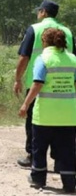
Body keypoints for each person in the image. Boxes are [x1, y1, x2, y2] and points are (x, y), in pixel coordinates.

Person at [14, 0, 75, 167]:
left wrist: (17, 79)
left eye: (39, 11)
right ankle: (60, 160)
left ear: (43, 12)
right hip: (65, 86)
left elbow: (24, 57)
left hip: (37, 84)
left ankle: (33, 157)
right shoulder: (68, 32)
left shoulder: (34, 29)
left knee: (35, 122)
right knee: (62, 123)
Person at [19, 28, 76, 193]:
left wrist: (25, 104)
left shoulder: (43, 59)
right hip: (68, 115)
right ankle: (69, 183)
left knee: (40, 148)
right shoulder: (73, 59)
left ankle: (38, 178)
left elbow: (37, 84)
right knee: (67, 150)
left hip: (45, 115)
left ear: (45, 42)